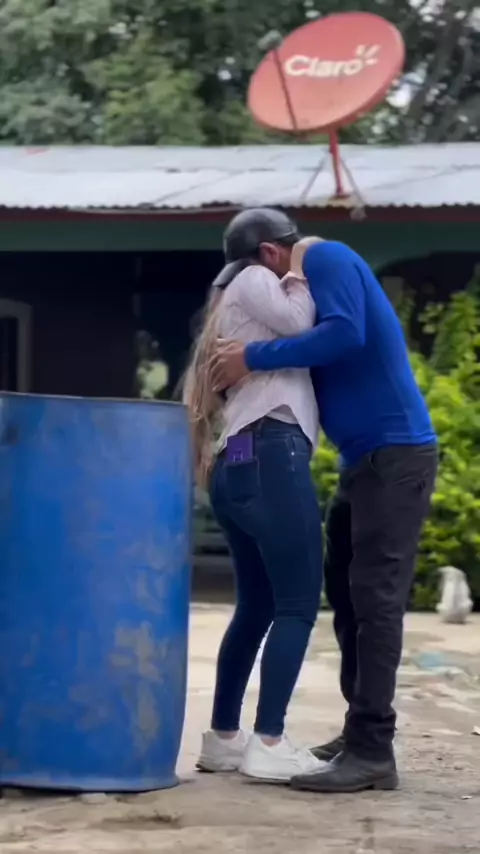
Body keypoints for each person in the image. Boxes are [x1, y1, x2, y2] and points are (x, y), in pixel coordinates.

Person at [211, 209, 438, 794]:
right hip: (361, 463)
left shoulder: (328, 257)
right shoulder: (304, 287)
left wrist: (251, 358)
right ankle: (358, 731)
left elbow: (346, 334)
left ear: (270, 254)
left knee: (376, 601)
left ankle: (373, 749)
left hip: (398, 455)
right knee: (346, 596)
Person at [182, 212, 326, 783]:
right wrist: (299, 273)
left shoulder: (230, 297)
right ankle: (269, 740)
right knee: (298, 603)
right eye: (290, 249)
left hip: (238, 462)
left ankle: (224, 738)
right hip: (272, 451)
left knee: (258, 606)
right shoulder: (258, 278)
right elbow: (302, 323)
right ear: (269, 250)